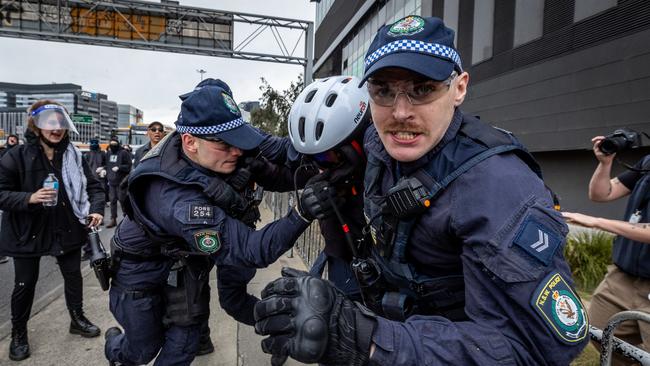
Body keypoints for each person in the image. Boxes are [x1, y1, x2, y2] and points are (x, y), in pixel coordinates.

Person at [254, 15, 589, 365]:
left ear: (458, 88)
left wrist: (364, 338)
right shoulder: (378, 142)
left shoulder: (497, 188)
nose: (400, 112)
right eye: (383, 90)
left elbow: (532, 349)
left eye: (423, 89)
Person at [103, 82, 334, 366]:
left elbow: (278, 168)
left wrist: (326, 162)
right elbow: (251, 249)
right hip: (140, 272)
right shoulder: (175, 199)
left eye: (236, 140)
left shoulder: (215, 148)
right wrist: (301, 213)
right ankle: (114, 348)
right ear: (189, 142)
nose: (236, 151)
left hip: (183, 264)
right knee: (142, 350)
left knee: (184, 343)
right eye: (225, 144)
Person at [0, 100, 105, 361]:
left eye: (60, 123)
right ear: (36, 126)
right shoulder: (16, 155)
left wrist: (96, 209)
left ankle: (77, 318)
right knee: (25, 284)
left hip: (66, 227)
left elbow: (94, 186)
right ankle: (19, 333)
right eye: (49, 123)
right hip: (27, 230)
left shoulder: (73, 155)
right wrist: (28, 198)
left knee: (74, 277)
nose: (56, 129)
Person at [564, 135, 650, 364]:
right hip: (622, 277)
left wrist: (597, 222)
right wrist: (605, 163)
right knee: (598, 333)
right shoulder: (647, 162)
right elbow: (601, 194)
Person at [0, 134, 20, 264]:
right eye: (10, 139)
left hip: (14, 193)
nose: (12, 141)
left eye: (14, 140)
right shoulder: (4, 153)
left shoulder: (18, 153)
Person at [104, 136, 131, 228]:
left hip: (121, 182)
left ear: (118, 144)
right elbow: (107, 165)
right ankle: (113, 219)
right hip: (111, 181)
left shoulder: (124, 153)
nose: (113, 146)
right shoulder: (108, 153)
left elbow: (128, 166)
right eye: (111, 144)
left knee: (123, 200)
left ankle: (127, 218)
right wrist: (103, 169)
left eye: (114, 144)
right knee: (112, 201)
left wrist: (119, 167)